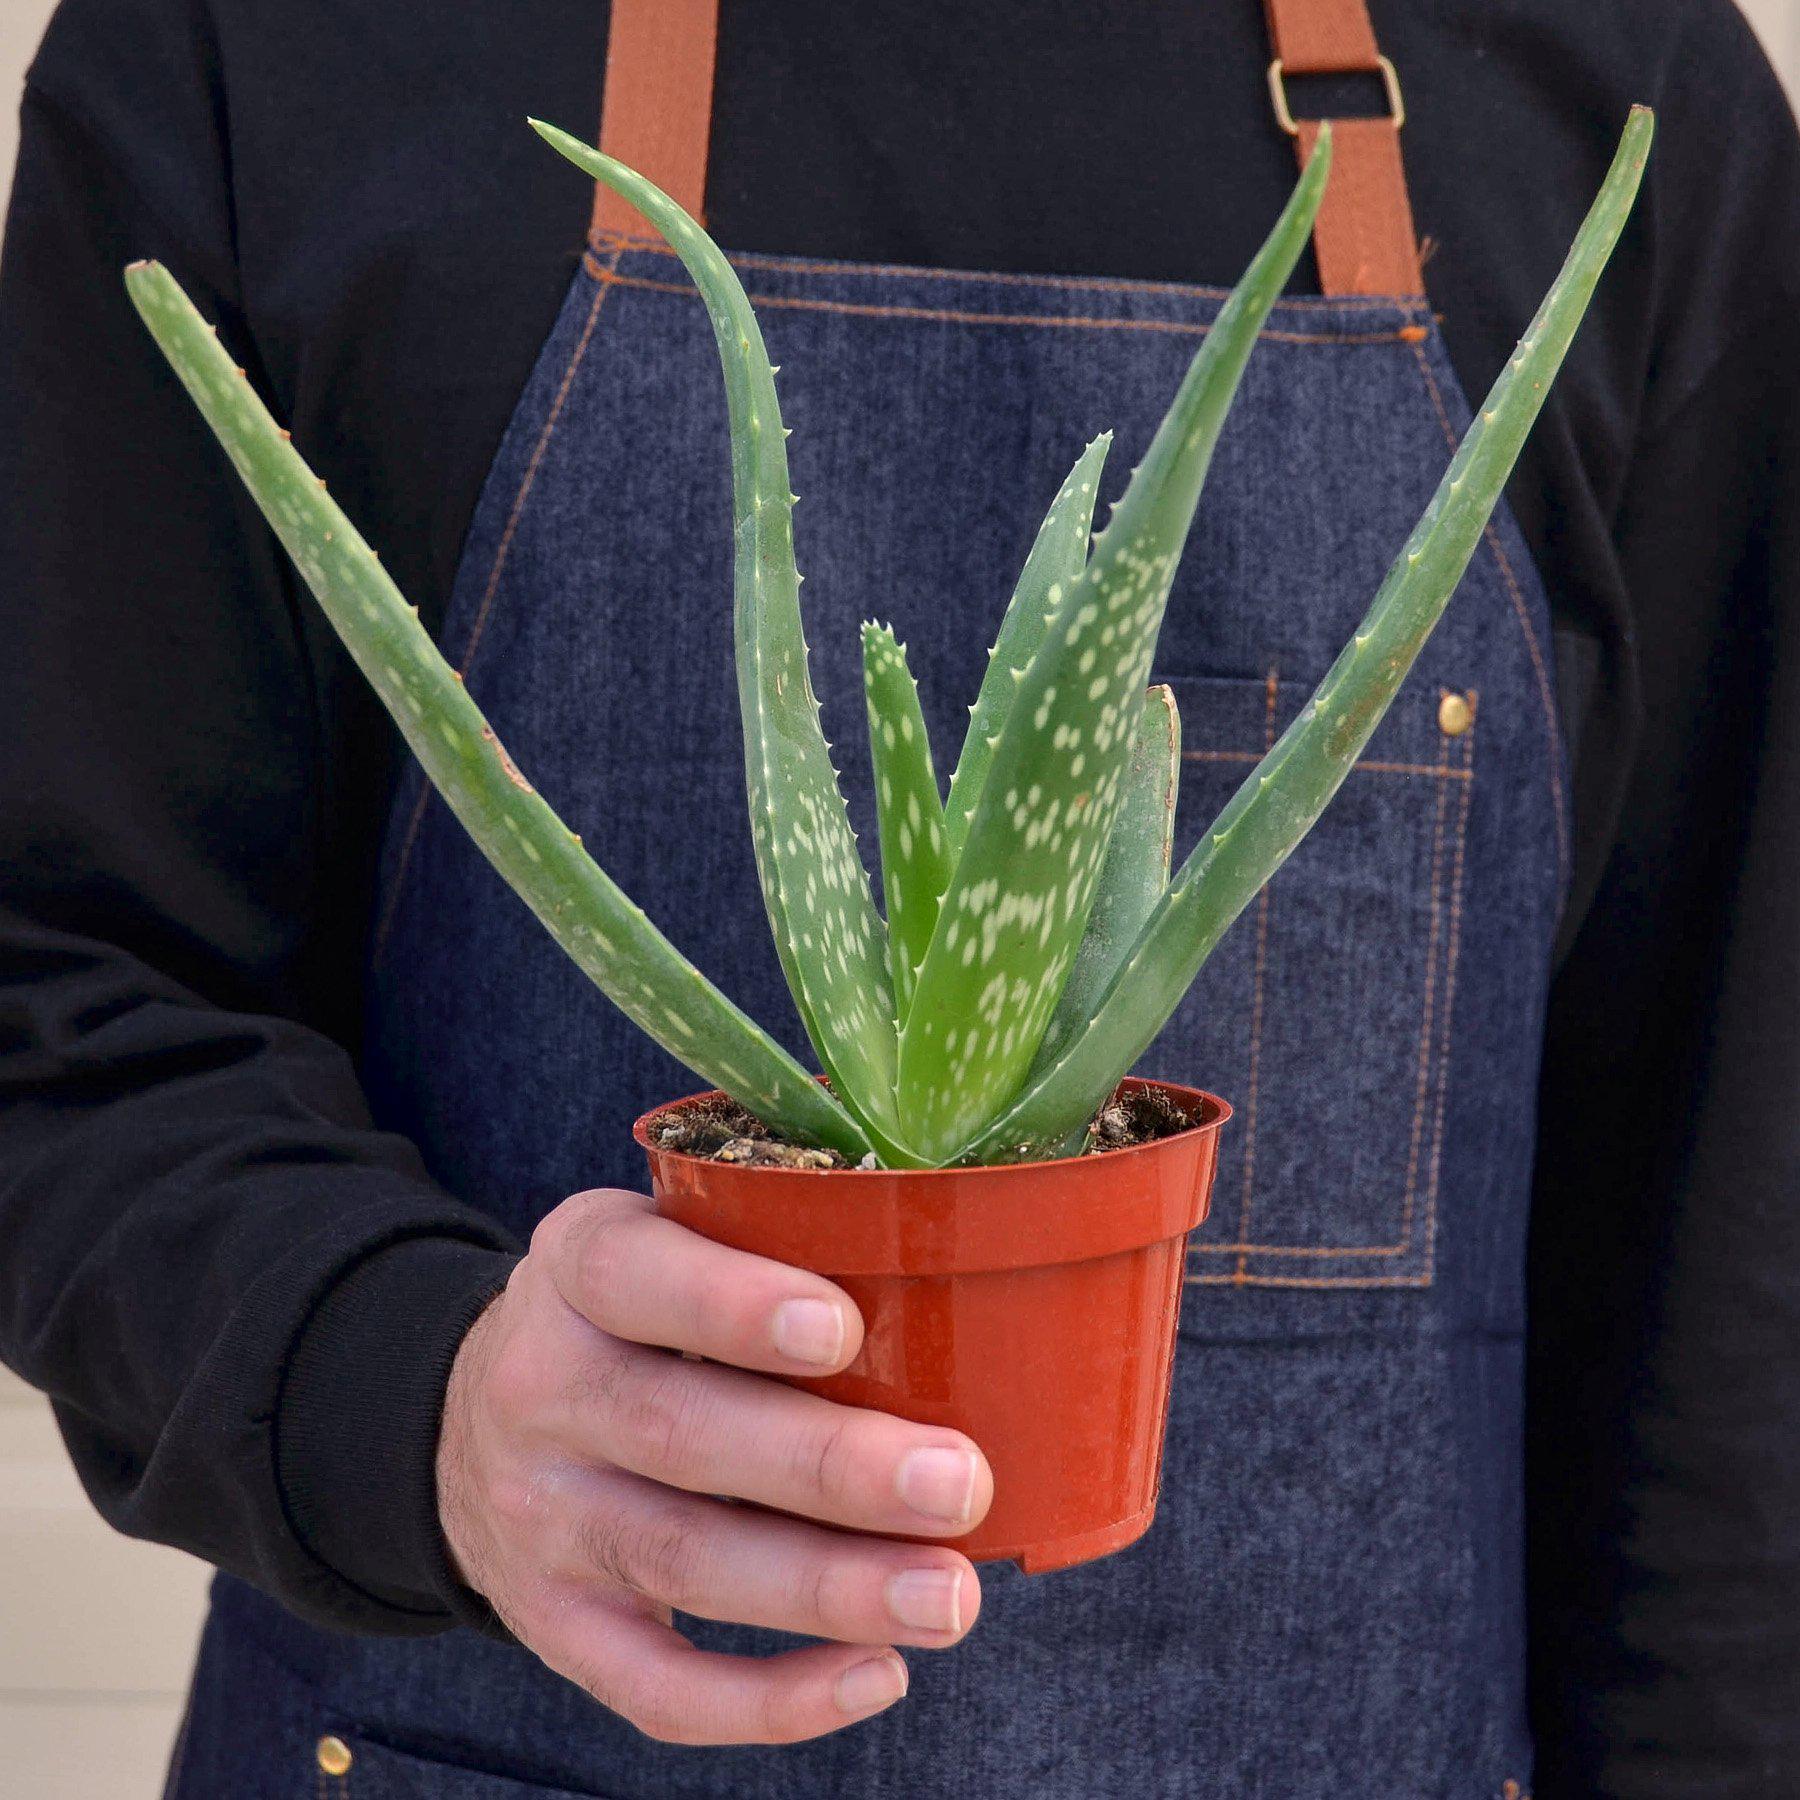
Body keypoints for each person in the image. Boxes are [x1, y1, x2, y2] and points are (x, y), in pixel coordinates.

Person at [1, 0, 1796, 1793]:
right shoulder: (257, 44)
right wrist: (416, 1402)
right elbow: (58, 995)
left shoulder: (1611, 64)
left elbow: (1735, 1206)